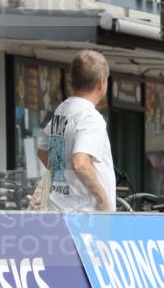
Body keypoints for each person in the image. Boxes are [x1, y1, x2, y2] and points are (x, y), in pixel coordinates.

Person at [37, 50, 115, 213]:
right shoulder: (91, 117)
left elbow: (43, 152)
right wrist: (103, 200)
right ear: (101, 83)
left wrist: (63, 178)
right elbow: (80, 163)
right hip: (86, 215)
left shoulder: (63, 110)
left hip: (59, 208)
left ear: (72, 80)